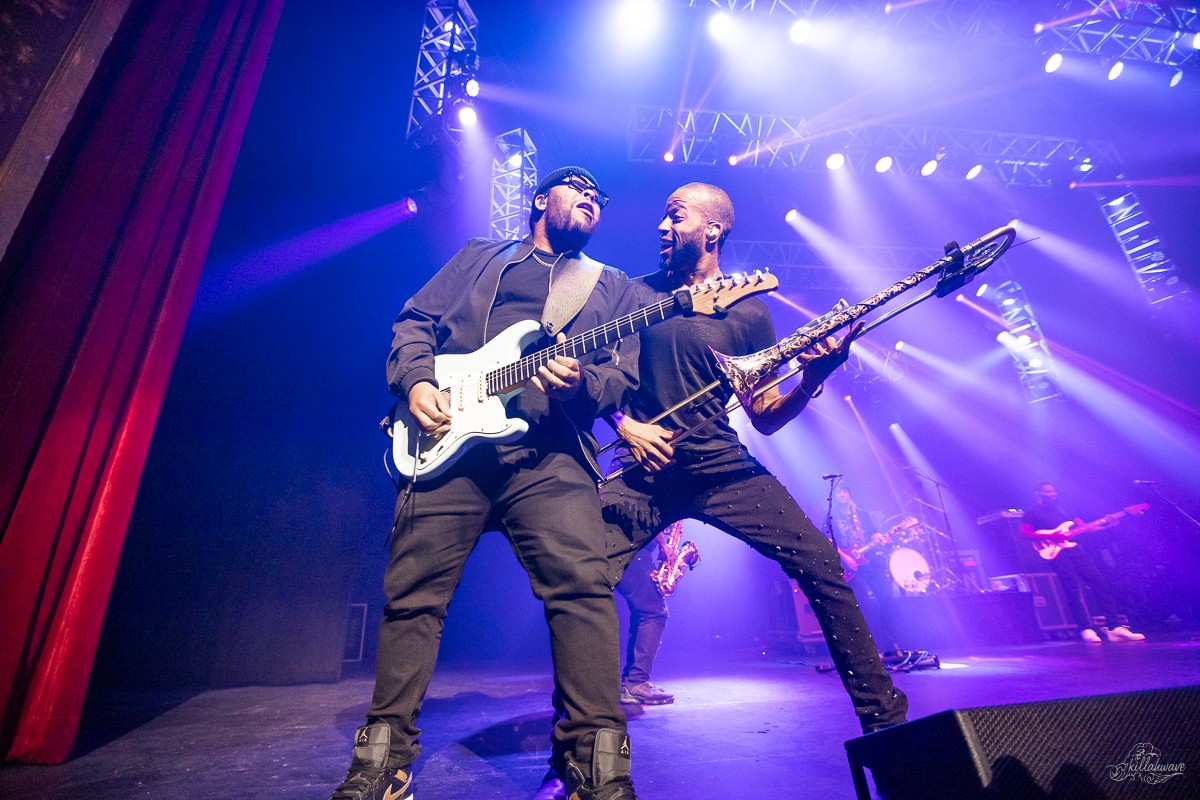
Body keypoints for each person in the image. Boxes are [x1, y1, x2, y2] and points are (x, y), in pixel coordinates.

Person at [329, 167, 642, 800]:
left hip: (548, 453)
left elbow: (621, 380)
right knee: (412, 597)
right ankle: (382, 762)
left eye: (599, 196)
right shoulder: (480, 256)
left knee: (584, 590)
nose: (591, 197)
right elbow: (415, 321)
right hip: (449, 448)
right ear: (540, 200)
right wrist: (417, 382)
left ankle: (595, 763)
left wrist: (582, 384)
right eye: (577, 185)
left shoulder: (614, 287)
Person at [600, 182, 908, 739]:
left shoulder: (749, 313)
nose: (662, 227)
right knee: (580, 576)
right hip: (644, 470)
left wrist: (811, 379)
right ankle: (583, 732)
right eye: (664, 217)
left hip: (721, 468)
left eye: (676, 216)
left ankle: (886, 720)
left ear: (712, 230)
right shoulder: (636, 296)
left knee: (821, 563)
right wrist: (625, 424)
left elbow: (763, 414)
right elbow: (601, 380)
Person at [1020, 482, 1145, 643]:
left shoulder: (1064, 509)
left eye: (1054, 491)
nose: (1053, 494)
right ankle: (1085, 628)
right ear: (1038, 493)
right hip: (1057, 553)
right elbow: (1024, 533)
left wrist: (1109, 524)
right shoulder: (1031, 513)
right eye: (1048, 492)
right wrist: (1051, 537)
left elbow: (1087, 528)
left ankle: (1114, 628)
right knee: (1071, 588)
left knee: (1099, 583)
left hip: (1075, 551)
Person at [830, 484, 900, 646]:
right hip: (850, 566)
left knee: (887, 598)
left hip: (870, 561)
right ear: (834, 496)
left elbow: (874, 534)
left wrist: (883, 539)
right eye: (838, 492)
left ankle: (892, 644)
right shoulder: (832, 517)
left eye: (845, 491)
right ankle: (871, 646)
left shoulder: (861, 515)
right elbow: (828, 540)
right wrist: (844, 558)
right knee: (864, 606)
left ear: (849, 494)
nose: (842, 494)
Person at [615, 531, 674, 707]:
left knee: (641, 613)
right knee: (654, 613)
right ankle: (636, 682)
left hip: (625, 551)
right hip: (634, 551)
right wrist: (663, 545)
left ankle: (629, 682)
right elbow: (645, 520)